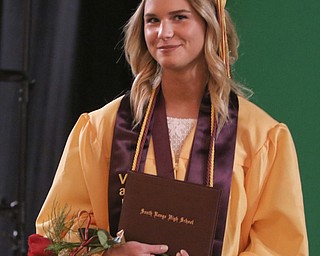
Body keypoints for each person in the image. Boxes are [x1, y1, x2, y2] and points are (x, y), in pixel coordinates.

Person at [35, 0, 309, 255]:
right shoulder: (101, 127)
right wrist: (109, 252)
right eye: (152, 20)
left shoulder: (260, 137)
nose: (163, 32)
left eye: (179, 17)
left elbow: (280, 245)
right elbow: (56, 231)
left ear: (210, 23)